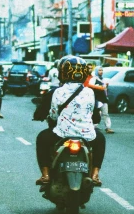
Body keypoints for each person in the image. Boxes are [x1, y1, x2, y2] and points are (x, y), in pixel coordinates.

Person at [35, 55, 106, 187]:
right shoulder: (90, 92)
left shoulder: (57, 92)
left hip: (62, 134)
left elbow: (54, 115)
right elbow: (95, 116)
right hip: (87, 136)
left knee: (42, 138)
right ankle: (95, 174)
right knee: (100, 138)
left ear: (62, 72)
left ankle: (45, 174)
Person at [90, 66, 115, 134]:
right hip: (97, 98)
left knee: (105, 113)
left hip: (103, 98)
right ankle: (93, 127)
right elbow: (91, 86)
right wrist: (98, 87)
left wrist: (106, 96)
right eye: (99, 70)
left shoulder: (103, 79)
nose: (101, 72)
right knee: (95, 113)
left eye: (102, 70)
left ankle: (108, 127)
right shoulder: (94, 79)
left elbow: (105, 89)